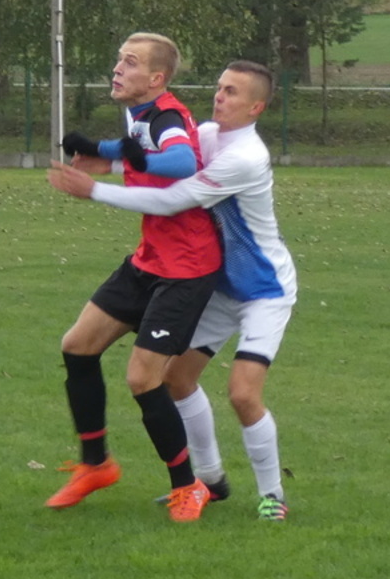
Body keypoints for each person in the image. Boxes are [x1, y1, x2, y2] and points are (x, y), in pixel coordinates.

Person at [49, 60, 297, 521]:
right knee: (176, 379)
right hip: (220, 286)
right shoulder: (209, 135)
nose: (219, 96)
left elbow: (172, 200)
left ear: (256, 107)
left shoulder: (247, 157)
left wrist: (95, 189)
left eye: (232, 92)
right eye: (220, 87)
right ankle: (210, 481)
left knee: (243, 394)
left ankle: (272, 495)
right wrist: (113, 161)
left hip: (264, 291)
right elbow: (163, 161)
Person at [44, 33, 221, 522]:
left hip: (186, 269)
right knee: (77, 346)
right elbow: (145, 158)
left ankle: (188, 487)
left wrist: (111, 156)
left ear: (157, 78)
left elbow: (182, 160)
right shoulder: (139, 115)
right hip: (150, 259)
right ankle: (96, 464)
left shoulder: (165, 116)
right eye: (119, 59)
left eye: (131, 62)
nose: (118, 69)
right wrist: (113, 157)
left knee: (143, 378)